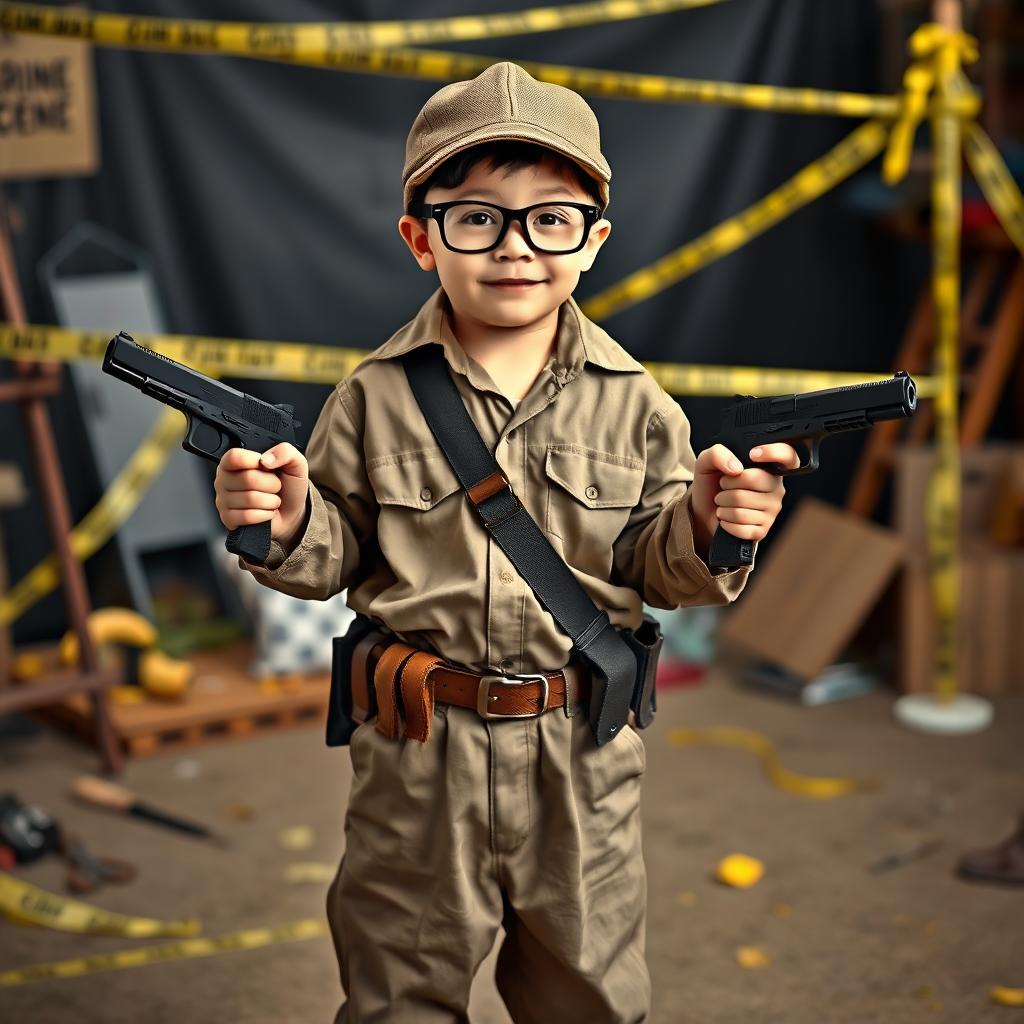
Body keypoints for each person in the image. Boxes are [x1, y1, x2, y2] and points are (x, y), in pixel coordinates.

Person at [214, 61, 799, 1024]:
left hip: (582, 757)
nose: (516, 247)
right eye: (477, 216)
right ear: (420, 237)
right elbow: (336, 555)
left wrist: (708, 526)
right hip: (416, 752)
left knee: (590, 996)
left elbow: (656, 569)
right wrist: (281, 523)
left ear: (595, 239)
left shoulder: (638, 403)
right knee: (400, 991)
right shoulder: (374, 395)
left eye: (552, 218)